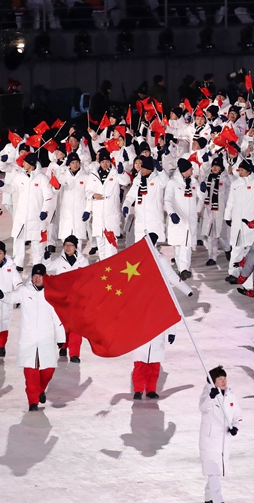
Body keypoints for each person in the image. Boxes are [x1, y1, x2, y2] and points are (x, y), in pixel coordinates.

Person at [131, 233, 193, 399]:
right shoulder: (137, 259)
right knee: (140, 362)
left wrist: (171, 331)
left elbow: (169, 311)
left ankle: (151, 389)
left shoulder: (161, 261)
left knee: (154, 363)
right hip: (141, 329)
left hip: (157, 330)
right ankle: (138, 389)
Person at [0, 264, 65, 411]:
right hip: (28, 339)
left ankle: (40, 390)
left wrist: (61, 338)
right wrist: (3, 296)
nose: (37, 278)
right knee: (31, 372)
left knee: (48, 369)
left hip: (46, 338)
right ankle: (33, 401)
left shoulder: (50, 294)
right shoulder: (24, 290)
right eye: (35, 275)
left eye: (40, 276)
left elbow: (57, 317)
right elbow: (11, 297)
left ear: (44, 277)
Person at [200, 366, 243, 503]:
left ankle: (208, 497)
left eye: (224, 378)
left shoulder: (231, 395)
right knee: (214, 471)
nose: (223, 381)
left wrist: (235, 427)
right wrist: (211, 397)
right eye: (220, 379)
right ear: (213, 381)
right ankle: (218, 502)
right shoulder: (207, 394)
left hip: (225, 440)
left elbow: (237, 414)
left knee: (215, 471)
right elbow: (203, 408)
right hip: (210, 439)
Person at [3, 153, 55, 270]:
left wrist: (44, 211)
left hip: (36, 217)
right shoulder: (19, 176)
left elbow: (48, 197)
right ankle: (18, 263)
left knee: (37, 242)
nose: (23, 163)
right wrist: (2, 186)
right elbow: (11, 188)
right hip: (21, 215)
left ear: (31, 164)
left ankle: (38, 264)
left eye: (25, 162)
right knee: (18, 239)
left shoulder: (42, 178)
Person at [44, 235, 89, 363]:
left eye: (70, 245)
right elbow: (47, 267)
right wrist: (45, 258)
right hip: (62, 299)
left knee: (76, 327)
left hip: (77, 300)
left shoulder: (83, 262)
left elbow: (88, 279)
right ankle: (63, 346)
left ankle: (74, 353)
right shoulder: (59, 261)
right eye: (66, 245)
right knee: (63, 325)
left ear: (76, 247)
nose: (67, 248)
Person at [164, 158, 202, 280]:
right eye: (191, 168)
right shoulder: (173, 183)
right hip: (178, 219)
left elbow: (201, 197)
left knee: (186, 244)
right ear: (185, 170)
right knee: (179, 246)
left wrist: (203, 190)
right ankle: (182, 269)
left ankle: (184, 269)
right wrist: (172, 213)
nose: (193, 170)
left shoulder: (194, 182)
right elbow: (167, 200)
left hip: (189, 220)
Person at [86, 148, 125, 260]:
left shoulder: (115, 174)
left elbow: (125, 181)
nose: (105, 164)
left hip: (111, 216)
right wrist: (93, 195)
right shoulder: (93, 175)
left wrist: (121, 172)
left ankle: (111, 272)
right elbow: (88, 191)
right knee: (101, 248)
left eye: (107, 161)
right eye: (103, 162)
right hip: (98, 217)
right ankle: (103, 273)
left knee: (111, 248)